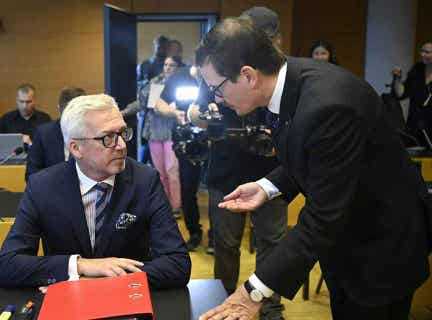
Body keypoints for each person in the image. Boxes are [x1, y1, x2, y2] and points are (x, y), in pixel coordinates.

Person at [197, 17, 429, 320]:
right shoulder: (286, 81)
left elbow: (322, 216)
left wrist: (253, 291)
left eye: (216, 88)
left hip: (380, 249)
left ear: (248, 76)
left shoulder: (329, 106)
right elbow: (312, 157)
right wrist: (267, 186)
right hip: (346, 244)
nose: (217, 99)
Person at [0, 94, 191, 290]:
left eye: (123, 133)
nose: (122, 146)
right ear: (76, 148)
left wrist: (102, 282)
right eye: (108, 138)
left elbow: (177, 264)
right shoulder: (42, 186)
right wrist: (79, 265)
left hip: (127, 301)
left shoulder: (145, 180)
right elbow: (7, 265)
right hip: (67, 306)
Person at [190, 7, 289, 320]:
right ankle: (225, 298)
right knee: (226, 243)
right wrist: (210, 118)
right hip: (227, 170)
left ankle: (271, 307)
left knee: (272, 244)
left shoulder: (283, 75)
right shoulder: (221, 69)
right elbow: (194, 112)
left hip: (274, 174)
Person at [155, 64, 209, 252]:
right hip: (188, 142)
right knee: (187, 190)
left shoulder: (223, 75)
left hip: (216, 142)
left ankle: (216, 237)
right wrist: (174, 113)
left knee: (218, 190)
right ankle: (194, 232)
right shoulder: (179, 77)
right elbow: (158, 101)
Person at [134, 56, 183, 222]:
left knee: (172, 170)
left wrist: (170, 110)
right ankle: (165, 205)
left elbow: (164, 108)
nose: (168, 67)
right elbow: (150, 105)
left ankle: (176, 206)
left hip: (171, 133)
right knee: (160, 173)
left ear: (177, 68)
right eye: (166, 64)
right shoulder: (156, 82)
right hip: (154, 132)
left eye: (172, 65)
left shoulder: (180, 83)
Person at [25, 86, 85, 180]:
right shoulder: (44, 134)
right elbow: (32, 174)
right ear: (59, 109)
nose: (72, 120)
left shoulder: (94, 132)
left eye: (77, 114)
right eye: (68, 114)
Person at [392, 41, 432, 146]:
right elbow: (401, 94)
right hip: (414, 126)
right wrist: (397, 78)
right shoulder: (417, 69)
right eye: (422, 51)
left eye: (427, 52)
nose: (422, 54)